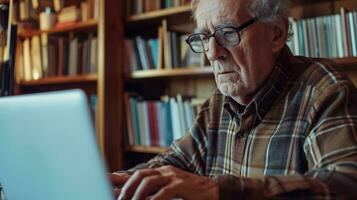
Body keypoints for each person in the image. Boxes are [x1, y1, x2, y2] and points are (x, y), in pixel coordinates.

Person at [111, 0, 357, 199]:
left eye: (227, 33)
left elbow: (347, 183)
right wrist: (117, 184)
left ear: (276, 34)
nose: (213, 53)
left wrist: (218, 191)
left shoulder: (323, 90)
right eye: (204, 37)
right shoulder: (217, 104)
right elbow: (173, 163)